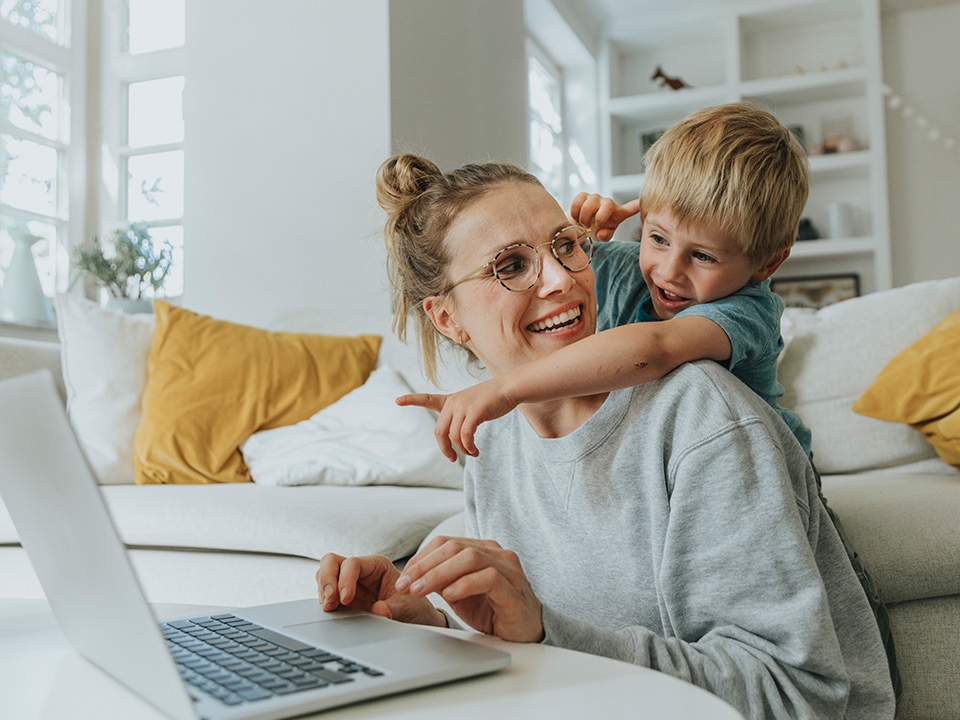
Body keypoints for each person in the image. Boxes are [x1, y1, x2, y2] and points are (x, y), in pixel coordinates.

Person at [317, 152, 896, 719]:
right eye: (511, 266)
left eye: (565, 246)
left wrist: (546, 632)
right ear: (446, 318)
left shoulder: (704, 417)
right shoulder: (492, 441)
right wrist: (433, 625)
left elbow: (799, 696)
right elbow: (535, 642)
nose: (561, 281)